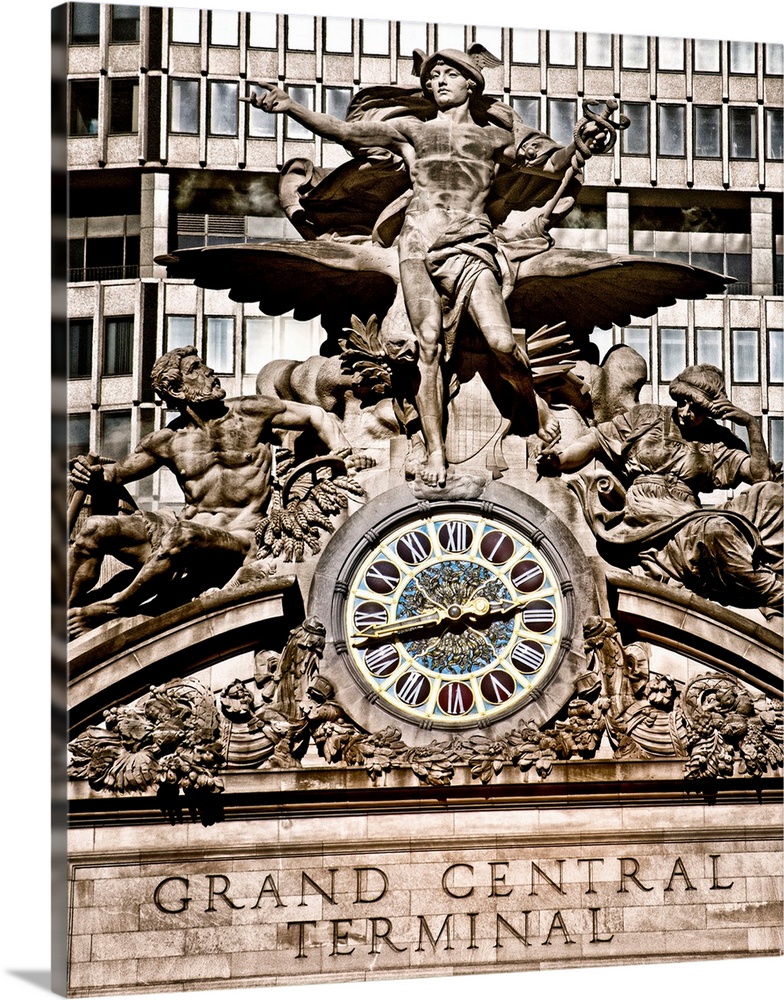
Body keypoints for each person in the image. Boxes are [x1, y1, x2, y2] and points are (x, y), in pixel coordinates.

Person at [248, 49, 607, 486]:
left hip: (472, 242)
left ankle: (531, 402)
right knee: (427, 346)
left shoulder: (494, 140)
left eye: (448, 75)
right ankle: (436, 451)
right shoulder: (411, 131)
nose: (438, 82)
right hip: (418, 242)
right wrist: (293, 108)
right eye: (432, 75)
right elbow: (344, 132)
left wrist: (580, 146)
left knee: (500, 340)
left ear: (470, 85)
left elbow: (551, 165)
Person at [68, 346, 369, 636]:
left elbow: (315, 415)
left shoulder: (250, 412)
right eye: (195, 369)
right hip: (184, 533)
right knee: (96, 528)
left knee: (181, 535)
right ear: (176, 390)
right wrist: (87, 471)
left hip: (240, 537)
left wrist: (342, 451)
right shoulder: (167, 440)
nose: (209, 371)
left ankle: (113, 608)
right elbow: (115, 474)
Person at [537, 364, 782, 614]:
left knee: (773, 497)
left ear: (711, 411)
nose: (686, 412)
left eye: (696, 409)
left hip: (688, 510)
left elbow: (761, 476)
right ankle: (771, 591)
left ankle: (762, 581)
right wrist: (560, 458)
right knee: (716, 531)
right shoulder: (647, 416)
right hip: (648, 509)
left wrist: (750, 423)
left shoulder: (717, 440)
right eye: (682, 402)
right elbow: (594, 441)